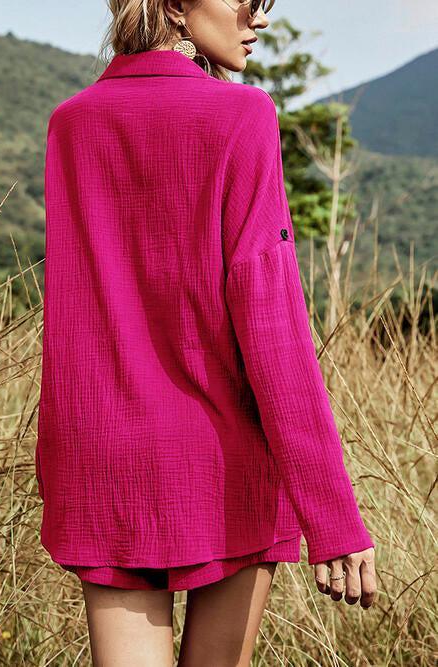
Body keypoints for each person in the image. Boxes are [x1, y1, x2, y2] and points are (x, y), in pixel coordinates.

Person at [35, 0, 378, 664]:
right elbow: (270, 320)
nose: (258, 22)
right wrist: (332, 517)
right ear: (174, 6)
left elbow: (70, 317)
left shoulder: (71, 124)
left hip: (101, 456)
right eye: (245, 2)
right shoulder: (242, 116)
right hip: (219, 458)